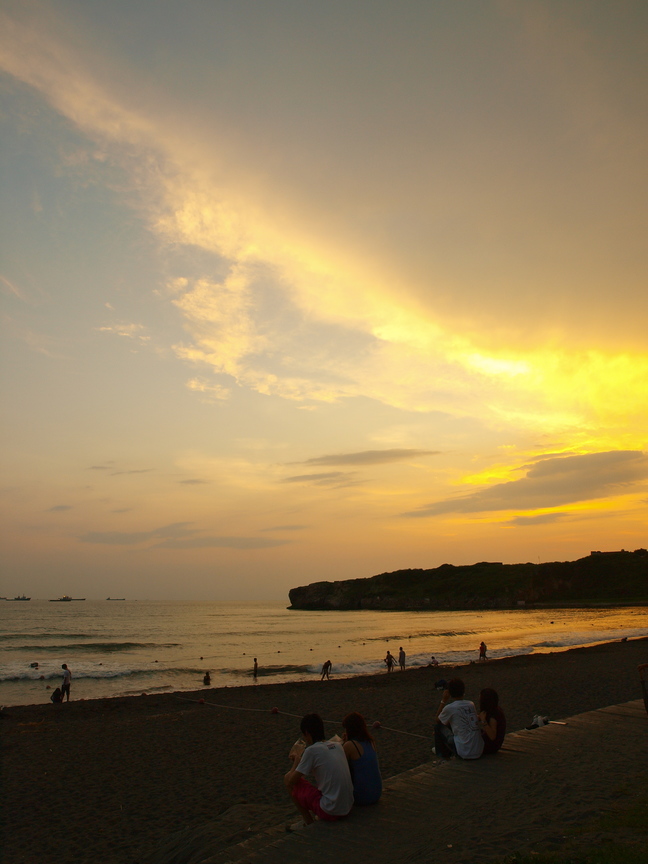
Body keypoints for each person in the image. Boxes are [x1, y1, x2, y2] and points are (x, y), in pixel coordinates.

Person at [284, 713, 354, 826]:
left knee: (287, 777)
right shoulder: (337, 745)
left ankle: (308, 822)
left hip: (331, 811)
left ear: (307, 733)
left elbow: (292, 780)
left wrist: (297, 761)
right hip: (347, 807)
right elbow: (322, 766)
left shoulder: (311, 750)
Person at [434, 678, 483, 760]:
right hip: (478, 750)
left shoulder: (450, 708)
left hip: (463, 751)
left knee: (438, 727)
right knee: (450, 723)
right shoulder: (471, 704)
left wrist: (443, 700)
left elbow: (437, 719)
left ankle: (442, 755)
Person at [341, 712, 382, 805]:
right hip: (376, 793)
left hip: (362, 796)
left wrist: (344, 743)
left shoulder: (350, 745)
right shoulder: (371, 741)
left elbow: (340, 764)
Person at [479, 688, 506, 754]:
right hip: (494, 744)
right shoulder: (495, 710)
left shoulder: (493, 717)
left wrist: (483, 721)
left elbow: (492, 736)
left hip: (491, 746)